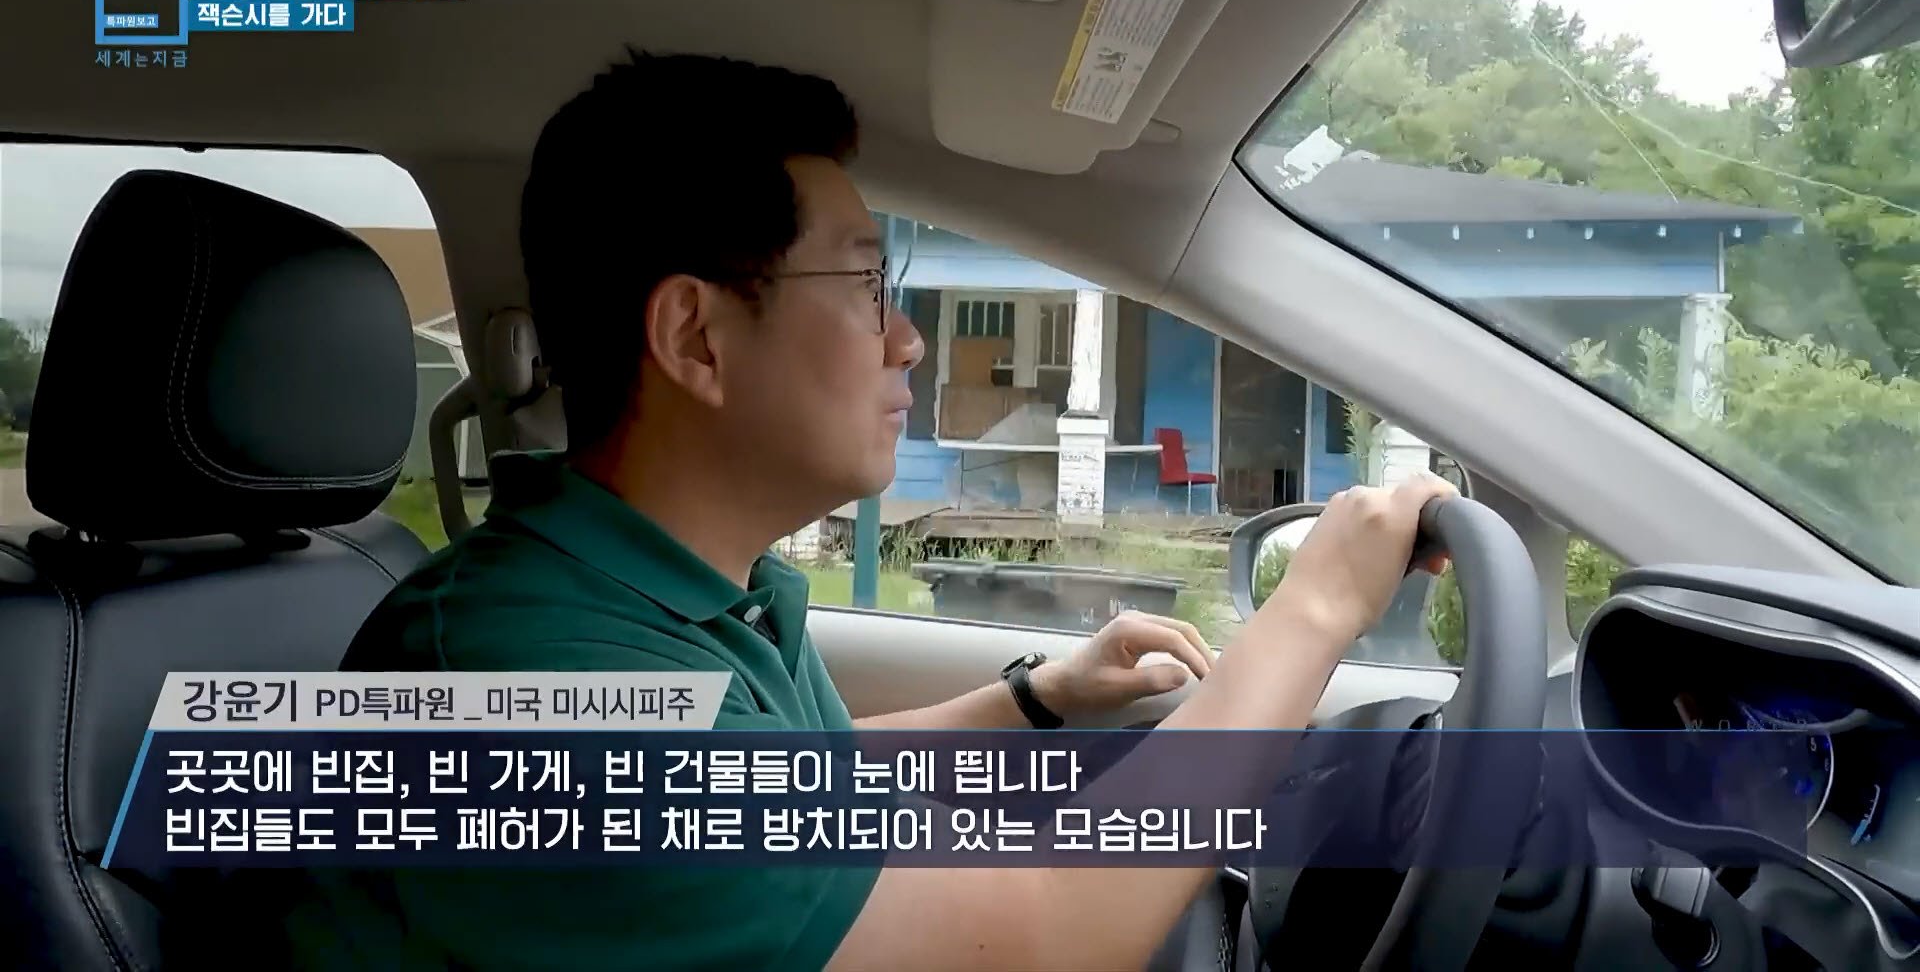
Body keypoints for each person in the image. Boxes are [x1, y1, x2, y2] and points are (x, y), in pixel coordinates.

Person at [280, 50, 1457, 970]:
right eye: (863, 285)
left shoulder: (691, 596)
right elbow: (1053, 935)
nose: (908, 341)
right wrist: (1315, 610)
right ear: (697, 337)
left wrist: (1036, 700)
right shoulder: (523, 687)